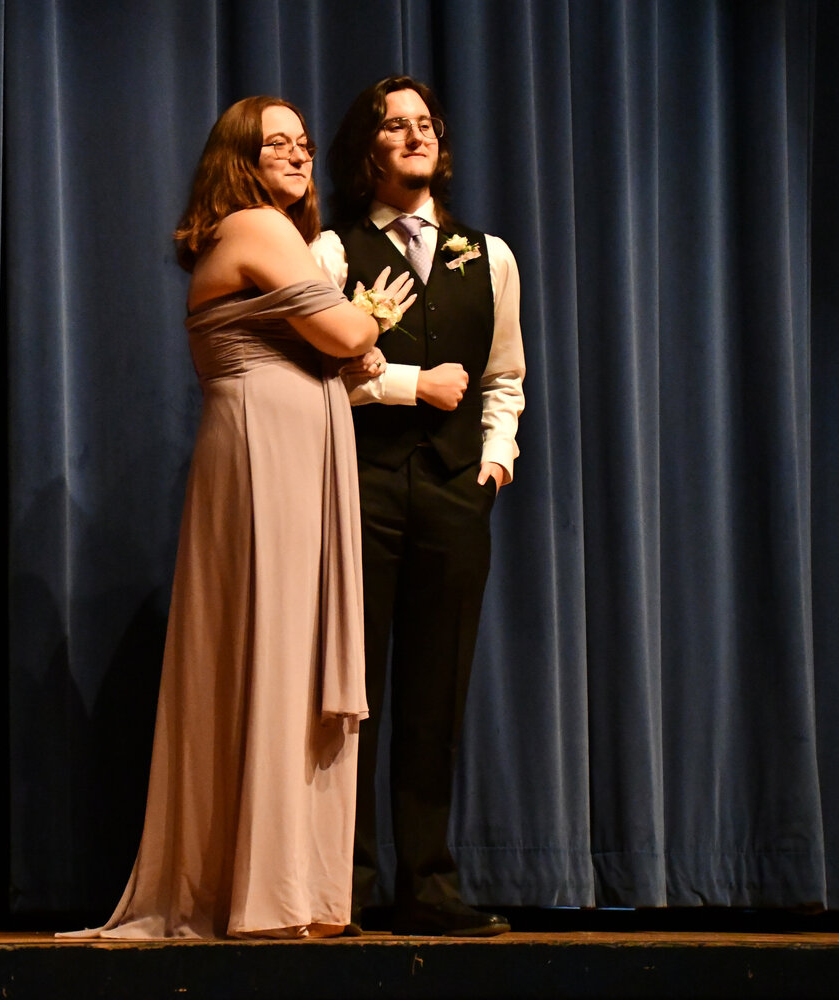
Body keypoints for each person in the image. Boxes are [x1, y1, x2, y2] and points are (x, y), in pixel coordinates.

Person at [64, 96, 416, 939]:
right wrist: (363, 322)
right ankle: (265, 893)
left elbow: (341, 339)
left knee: (291, 656)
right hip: (265, 452)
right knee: (273, 650)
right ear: (240, 160)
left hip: (291, 449)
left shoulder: (271, 232)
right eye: (276, 144)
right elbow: (339, 332)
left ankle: (294, 887)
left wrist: (354, 332)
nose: (297, 156)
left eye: (302, 143)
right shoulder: (254, 226)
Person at [311, 76, 526, 937]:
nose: (413, 136)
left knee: (437, 693)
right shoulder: (333, 252)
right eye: (394, 126)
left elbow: (504, 373)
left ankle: (427, 884)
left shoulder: (491, 254)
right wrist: (410, 386)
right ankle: (346, 883)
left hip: (453, 490)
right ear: (368, 150)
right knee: (352, 693)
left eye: (425, 124)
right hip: (364, 488)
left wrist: (496, 460)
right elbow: (322, 376)